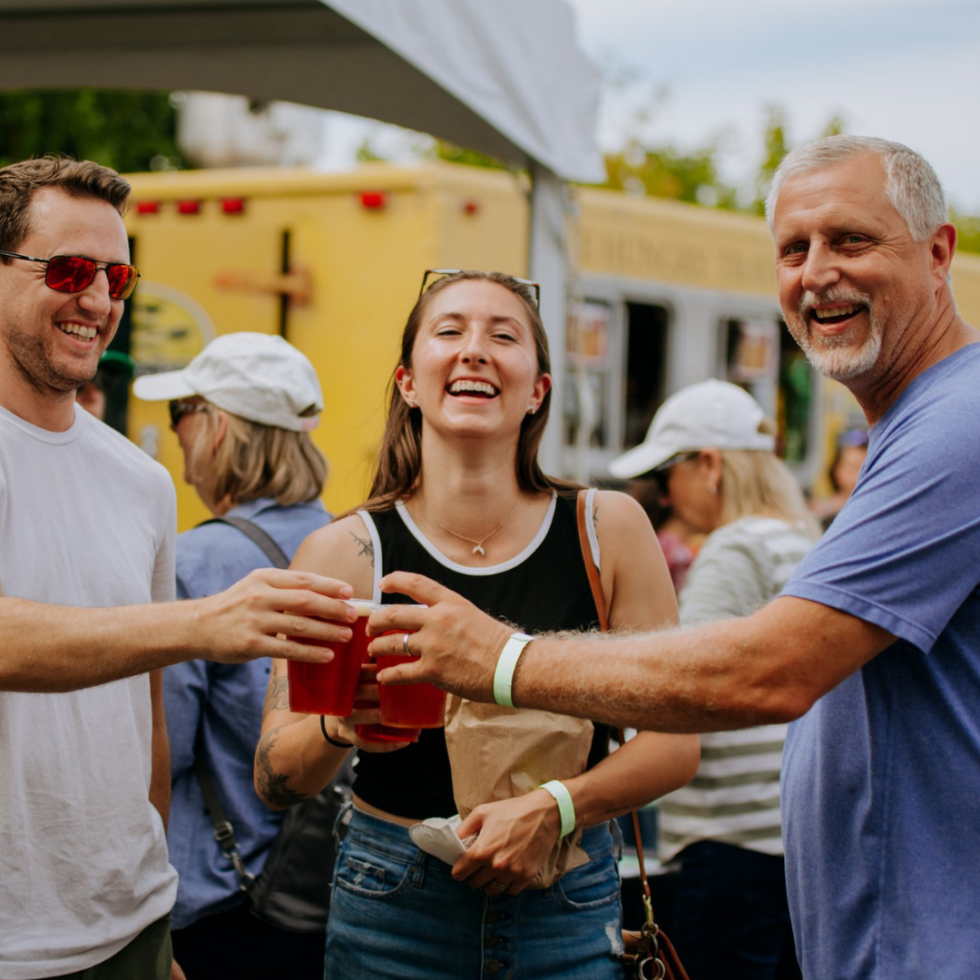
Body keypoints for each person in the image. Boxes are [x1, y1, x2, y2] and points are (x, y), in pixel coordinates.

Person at [367, 136, 980, 980]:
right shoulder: (920, 425)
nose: (816, 273)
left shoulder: (956, 426)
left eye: (852, 241)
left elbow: (771, 671)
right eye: (793, 250)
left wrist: (501, 661)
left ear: (939, 253)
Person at [256, 269, 700, 979]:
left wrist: (556, 808)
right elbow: (276, 775)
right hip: (392, 902)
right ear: (408, 382)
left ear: (538, 390)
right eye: (449, 330)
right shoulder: (343, 553)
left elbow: (676, 743)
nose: (474, 350)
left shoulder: (606, 530)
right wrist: (339, 726)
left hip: (568, 899)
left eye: (503, 336)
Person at [0, 157, 355, 980]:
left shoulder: (142, 481)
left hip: (132, 928)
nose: (99, 301)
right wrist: (202, 622)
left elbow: (150, 721)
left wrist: (155, 900)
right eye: (70, 271)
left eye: (117, 277)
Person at [133, 332, 333, 979]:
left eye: (180, 413)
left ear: (218, 427)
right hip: (322, 890)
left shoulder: (195, 562)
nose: (175, 433)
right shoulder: (346, 544)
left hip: (221, 895)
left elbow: (160, 748)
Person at [610, 378, 816, 980]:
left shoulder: (735, 548)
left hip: (729, 842)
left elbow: (686, 682)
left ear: (709, 465)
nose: (666, 497)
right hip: (790, 837)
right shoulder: (803, 539)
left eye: (667, 476)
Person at [810, 427, 869, 530]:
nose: (857, 476)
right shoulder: (822, 513)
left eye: (865, 469)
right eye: (852, 468)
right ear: (836, 470)